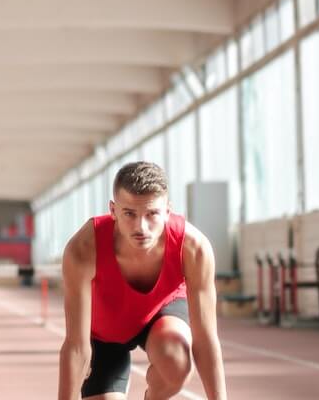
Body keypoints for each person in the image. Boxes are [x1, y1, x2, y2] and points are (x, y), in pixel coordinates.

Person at [57, 162, 227, 400]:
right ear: (113, 210)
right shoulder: (83, 249)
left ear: (167, 211)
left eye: (152, 214)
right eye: (129, 214)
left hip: (161, 314)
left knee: (176, 359)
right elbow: (76, 346)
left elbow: (206, 340)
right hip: (105, 332)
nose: (141, 227)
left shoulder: (193, 249)